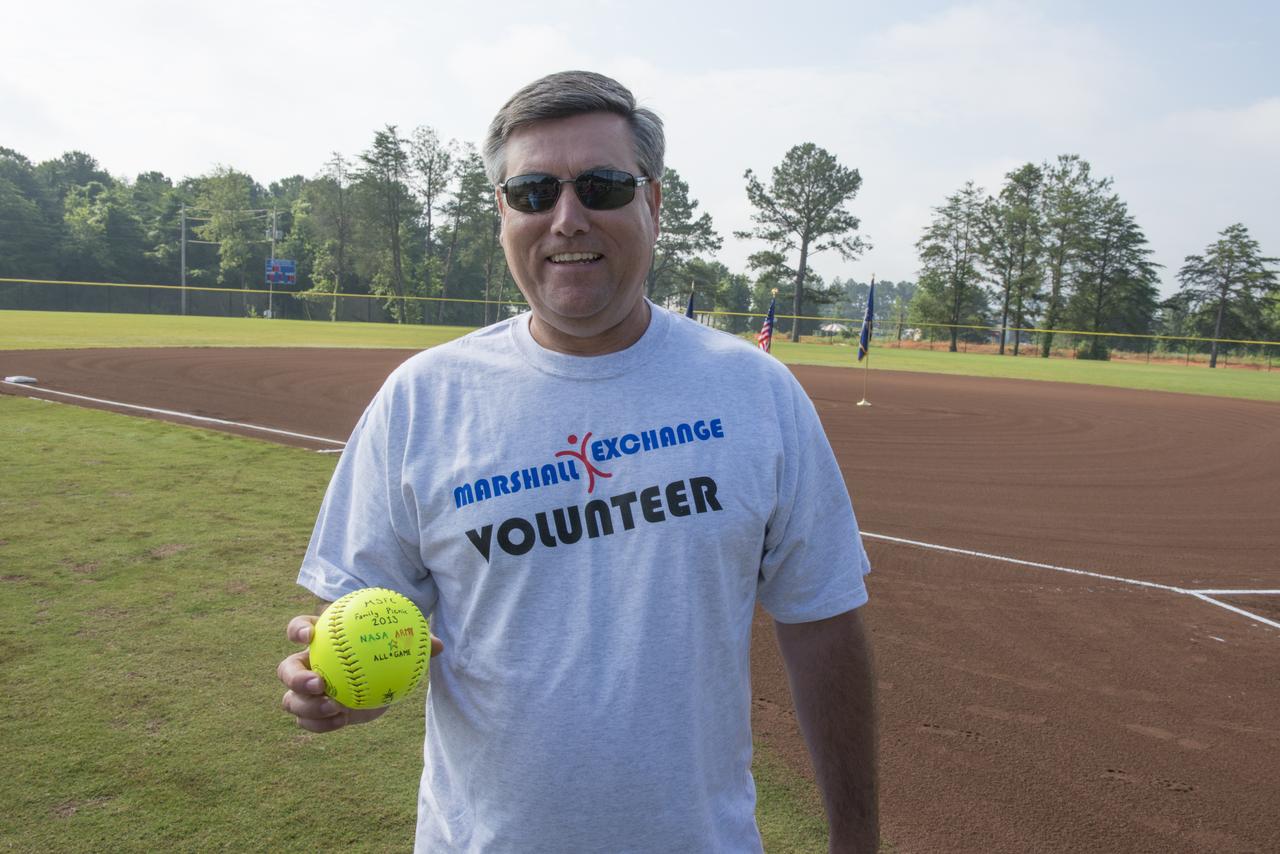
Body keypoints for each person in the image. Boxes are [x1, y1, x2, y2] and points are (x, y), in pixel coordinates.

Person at [277, 70, 878, 853]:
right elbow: (359, 622)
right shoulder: (422, 400)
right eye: (532, 192)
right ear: (502, 213)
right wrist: (339, 694)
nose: (566, 219)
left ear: (652, 205)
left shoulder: (754, 393)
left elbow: (823, 622)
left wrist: (858, 843)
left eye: (601, 186)